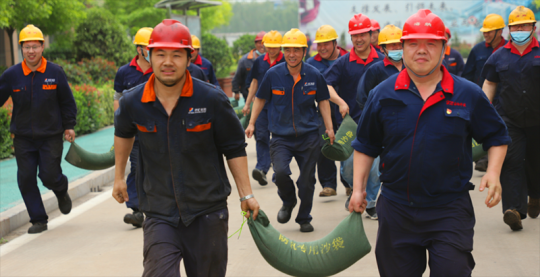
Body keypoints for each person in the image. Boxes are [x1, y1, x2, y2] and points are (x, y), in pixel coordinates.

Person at [349, 10, 509, 275]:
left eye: (430, 43)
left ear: (444, 48)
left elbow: (497, 136)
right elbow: (365, 145)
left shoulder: (467, 93)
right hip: (397, 207)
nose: (421, 51)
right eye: (413, 43)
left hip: (449, 210)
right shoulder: (383, 94)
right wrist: (358, 189)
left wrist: (493, 173)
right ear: (402, 47)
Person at [112, 19, 259, 276]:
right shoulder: (133, 102)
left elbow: (234, 147)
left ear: (189, 58)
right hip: (159, 212)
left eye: (176, 55)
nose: (168, 62)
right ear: (149, 55)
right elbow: (123, 134)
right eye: (160, 54)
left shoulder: (211, 99)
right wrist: (118, 177)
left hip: (207, 212)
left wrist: (246, 195)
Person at [245, 28, 335, 233]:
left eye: (296, 50)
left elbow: (323, 101)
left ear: (304, 51)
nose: (292, 54)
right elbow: (260, 98)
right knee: (282, 173)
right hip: (280, 137)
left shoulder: (314, 75)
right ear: (283, 51)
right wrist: (251, 122)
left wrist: (329, 128)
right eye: (288, 50)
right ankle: (288, 201)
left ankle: (304, 217)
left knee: (307, 181)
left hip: (309, 136)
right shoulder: (272, 74)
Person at [0, 24, 77, 234]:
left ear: (42, 47)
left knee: (49, 175)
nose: (31, 51)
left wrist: (69, 125)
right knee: (25, 178)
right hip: (23, 137)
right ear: (21, 49)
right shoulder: (11, 75)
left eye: (35, 46)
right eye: (26, 47)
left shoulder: (55, 72)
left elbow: (67, 102)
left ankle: (61, 189)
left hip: (51, 135)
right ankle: (38, 220)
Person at [481, 6, 540, 230]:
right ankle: (513, 210)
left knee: (535, 164)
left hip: (537, 120)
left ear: (533, 28)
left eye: (524, 25)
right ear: (509, 30)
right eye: (515, 26)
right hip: (509, 120)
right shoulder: (498, 56)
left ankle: (535, 196)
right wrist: (484, 110)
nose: (520, 30)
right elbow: (489, 83)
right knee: (512, 163)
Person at [324, 13, 382, 209]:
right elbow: (326, 86)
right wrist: (340, 101)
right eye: (354, 35)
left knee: (374, 169)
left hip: (376, 126)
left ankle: (371, 201)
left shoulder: (382, 61)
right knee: (348, 167)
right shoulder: (343, 63)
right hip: (350, 125)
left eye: (362, 34)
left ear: (370, 34)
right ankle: (353, 188)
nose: (358, 39)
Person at [351, 24, 404, 220]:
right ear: (382, 48)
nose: (397, 49)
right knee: (373, 168)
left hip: (406, 129)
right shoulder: (375, 71)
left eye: (399, 44)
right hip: (382, 128)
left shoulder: (413, 68)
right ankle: (371, 202)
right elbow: (362, 97)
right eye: (391, 46)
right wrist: (374, 120)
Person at [113, 27, 154, 228]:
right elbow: (118, 100)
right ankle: (137, 210)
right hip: (135, 132)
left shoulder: (160, 70)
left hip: (158, 130)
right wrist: (119, 125)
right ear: (139, 49)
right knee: (137, 168)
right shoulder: (124, 72)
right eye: (148, 47)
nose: (151, 51)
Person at [306, 24, 349, 197]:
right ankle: (328, 184)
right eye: (319, 44)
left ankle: (349, 182)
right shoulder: (311, 63)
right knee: (324, 144)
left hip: (346, 108)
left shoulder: (347, 58)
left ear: (335, 43)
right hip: (323, 110)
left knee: (347, 144)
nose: (322, 48)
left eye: (326, 44)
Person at [462, 14, 506, 172]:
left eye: (489, 31)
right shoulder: (477, 50)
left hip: (504, 102)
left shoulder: (508, 49)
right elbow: (467, 75)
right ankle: (482, 158)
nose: (485, 34)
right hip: (480, 100)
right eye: (484, 31)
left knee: (501, 132)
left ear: (500, 31)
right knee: (480, 130)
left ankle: (491, 160)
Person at [242, 31, 285, 186]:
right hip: (262, 105)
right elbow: (254, 83)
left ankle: (280, 170)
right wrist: (247, 103)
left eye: (275, 47)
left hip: (281, 106)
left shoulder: (287, 60)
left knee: (280, 138)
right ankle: (261, 169)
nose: (272, 50)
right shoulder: (259, 62)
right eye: (269, 46)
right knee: (261, 136)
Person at [232, 31, 266, 101]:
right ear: (255, 44)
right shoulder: (245, 60)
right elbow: (238, 76)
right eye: (260, 43)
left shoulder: (273, 59)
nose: (262, 45)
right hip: (248, 95)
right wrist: (236, 91)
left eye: (265, 43)